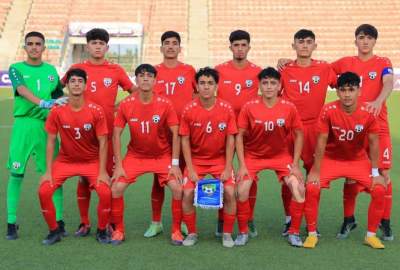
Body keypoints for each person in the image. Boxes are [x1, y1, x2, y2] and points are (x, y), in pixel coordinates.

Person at [62, 28, 135, 237]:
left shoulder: (115, 70)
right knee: (84, 177)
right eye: (93, 43)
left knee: (109, 176)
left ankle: (110, 221)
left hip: (108, 132)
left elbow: (134, 92)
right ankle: (84, 223)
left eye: (101, 43)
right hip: (82, 134)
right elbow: (59, 91)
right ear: (87, 46)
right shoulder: (76, 68)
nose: (97, 46)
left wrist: (118, 107)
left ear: (107, 47)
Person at [303, 72, 386, 249]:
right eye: (343, 90)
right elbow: (321, 142)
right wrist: (315, 171)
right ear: (337, 92)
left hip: (357, 160)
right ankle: (311, 234)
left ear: (359, 91)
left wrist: (375, 172)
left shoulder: (368, 112)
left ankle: (370, 236)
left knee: (379, 189)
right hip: (331, 159)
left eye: (351, 89)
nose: (347, 94)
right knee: (311, 187)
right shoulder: (328, 110)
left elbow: (374, 144)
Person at [331, 24, 394, 241]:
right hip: (354, 130)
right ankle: (349, 219)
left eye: (369, 38)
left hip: (379, 128)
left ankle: (385, 221)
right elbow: (322, 72)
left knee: (384, 174)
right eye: (361, 37)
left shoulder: (383, 62)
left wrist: (379, 100)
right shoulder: (345, 63)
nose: (365, 41)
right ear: (355, 40)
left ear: (375, 41)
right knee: (350, 176)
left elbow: (388, 82)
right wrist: (287, 63)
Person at [110, 64, 183, 246]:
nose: (145, 78)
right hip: (136, 156)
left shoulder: (165, 103)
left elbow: (176, 133)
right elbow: (116, 134)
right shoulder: (126, 104)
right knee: (116, 188)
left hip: (162, 156)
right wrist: (118, 165)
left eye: (149, 76)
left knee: (177, 188)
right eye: (141, 75)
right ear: (136, 79)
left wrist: (174, 164)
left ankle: (175, 230)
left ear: (155, 80)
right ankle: (119, 230)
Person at [38, 68, 111, 245]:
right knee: (44, 190)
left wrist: (102, 171)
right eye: (73, 81)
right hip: (65, 161)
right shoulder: (57, 110)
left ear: (85, 85)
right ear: (67, 86)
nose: (76, 84)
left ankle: (101, 230)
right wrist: (48, 171)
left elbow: (103, 142)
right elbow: (50, 141)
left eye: (80, 81)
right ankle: (54, 231)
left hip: (90, 161)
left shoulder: (96, 110)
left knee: (105, 192)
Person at [6, 31, 66, 240]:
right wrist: (42, 102)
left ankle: (59, 222)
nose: (33, 47)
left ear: (43, 47)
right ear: (25, 47)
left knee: (52, 175)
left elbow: (60, 96)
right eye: (29, 44)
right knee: (16, 174)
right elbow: (21, 90)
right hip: (23, 126)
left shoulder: (51, 71)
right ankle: (11, 223)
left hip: (46, 128)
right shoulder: (16, 69)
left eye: (37, 44)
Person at [235, 67, 305, 247]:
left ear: (279, 86)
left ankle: (294, 232)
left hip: (281, 156)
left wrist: (295, 164)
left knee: (298, 188)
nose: (268, 87)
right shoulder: (249, 107)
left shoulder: (289, 107)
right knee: (241, 189)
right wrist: (242, 165)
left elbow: (299, 134)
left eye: (273, 83)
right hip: (254, 156)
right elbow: (239, 135)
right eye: (265, 83)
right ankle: (243, 231)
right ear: (259, 85)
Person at [279, 29, 336, 236]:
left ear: (315, 46)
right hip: (291, 129)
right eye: (300, 42)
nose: (304, 45)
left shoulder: (324, 68)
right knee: (288, 174)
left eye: (309, 42)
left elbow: (345, 87)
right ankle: (289, 219)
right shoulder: (284, 70)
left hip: (315, 128)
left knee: (314, 176)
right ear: (293, 45)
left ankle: (312, 221)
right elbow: (274, 96)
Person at [145, 31, 196, 238]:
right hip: (160, 133)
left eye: (175, 43)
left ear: (179, 48)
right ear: (161, 48)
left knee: (183, 177)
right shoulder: (154, 71)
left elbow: (197, 95)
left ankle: (183, 220)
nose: (171, 47)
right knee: (158, 179)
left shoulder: (189, 70)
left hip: (183, 132)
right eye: (167, 43)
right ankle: (156, 222)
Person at [180, 67, 237, 248]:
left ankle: (226, 233)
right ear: (196, 86)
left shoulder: (226, 108)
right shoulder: (188, 109)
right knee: (187, 192)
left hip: (220, 161)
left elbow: (230, 140)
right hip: (196, 161)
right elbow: (185, 141)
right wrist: (191, 168)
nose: (206, 87)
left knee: (229, 192)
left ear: (216, 86)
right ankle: (191, 233)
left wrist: (228, 167)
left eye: (210, 83)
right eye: (202, 83)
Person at [215, 29, 261, 238]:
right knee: (222, 175)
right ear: (230, 47)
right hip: (222, 132)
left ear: (249, 47)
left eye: (244, 45)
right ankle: (221, 219)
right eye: (236, 45)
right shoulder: (219, 70)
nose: (240, 49)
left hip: (247, 133)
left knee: (249, 176)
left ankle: (248, 218)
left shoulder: (258, 72)